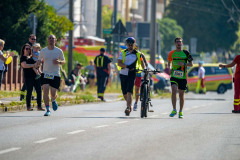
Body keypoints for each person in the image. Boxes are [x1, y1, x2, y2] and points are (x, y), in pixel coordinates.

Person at [38, 34, 65, 116]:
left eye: (52, 38)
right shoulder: (43, 51)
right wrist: (37, 64)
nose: (51, 40)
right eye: (49, 38)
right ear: (47, 40)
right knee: (45, 91)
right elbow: (39, 60)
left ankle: (53, 100)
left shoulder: (59, 51)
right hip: (45, 73)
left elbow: (64, 61)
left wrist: (59, 62)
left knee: (53, 93)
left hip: (55, 74)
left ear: (55, 41)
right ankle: (47, 109)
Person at [118, 37, 145, 116]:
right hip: (123, 73)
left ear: (134, 44)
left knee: (129, 90)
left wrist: (145, 69)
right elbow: (119, 63)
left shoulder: (137, 53)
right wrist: (126, 66)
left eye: (131, 43)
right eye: (128, 43)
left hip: (132, 73)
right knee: (124, 92)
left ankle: (128, 107)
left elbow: (142, 63)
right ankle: (130, 105)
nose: (130, 45)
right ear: (126, 44)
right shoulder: (123, 52)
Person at [167, 37, 193, 118]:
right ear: (175, 44)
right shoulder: (171, 53)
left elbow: (191, 64)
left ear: (182, 43)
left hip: (183, 77)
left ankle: (180, 111)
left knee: (181, 94)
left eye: (180, 42)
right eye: (177, 42)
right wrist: (170, 68)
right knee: (174, 90)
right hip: (174, 76)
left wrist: (184, 64)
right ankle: (174, 109)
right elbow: (169, 62)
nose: (179, 43)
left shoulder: (186, 53)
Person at [20, 43, 44, 111]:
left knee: (39, 91)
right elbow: (24, 65)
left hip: (36, 76)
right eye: (26, 49)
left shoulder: (31, 58)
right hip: (28, 77)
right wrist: (33, 65)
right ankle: (28, 106)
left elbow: (36, 65)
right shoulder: (23, 58)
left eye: (29, 49)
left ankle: (39, 106)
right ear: (23, 50)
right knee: (29, 91)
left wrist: (38, 64)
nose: (28, 50)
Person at [20, 34, 37, 100]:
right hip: (27, 64)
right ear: (29, 39)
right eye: (32, 39)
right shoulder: (27, 46)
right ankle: (23, 96)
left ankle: (27, 95)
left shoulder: (34, 46)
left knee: (29, 81)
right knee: (28, 81)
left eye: (34, 39)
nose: (33, 40)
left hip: (31, 64)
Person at [132, 43, 148, 111]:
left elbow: (145, 64)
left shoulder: (140, 54)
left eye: (136, 48)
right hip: (131, 72)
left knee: (137, 89)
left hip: (138, 73)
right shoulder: (129, 54)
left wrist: (145, 69)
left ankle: (136, 102)